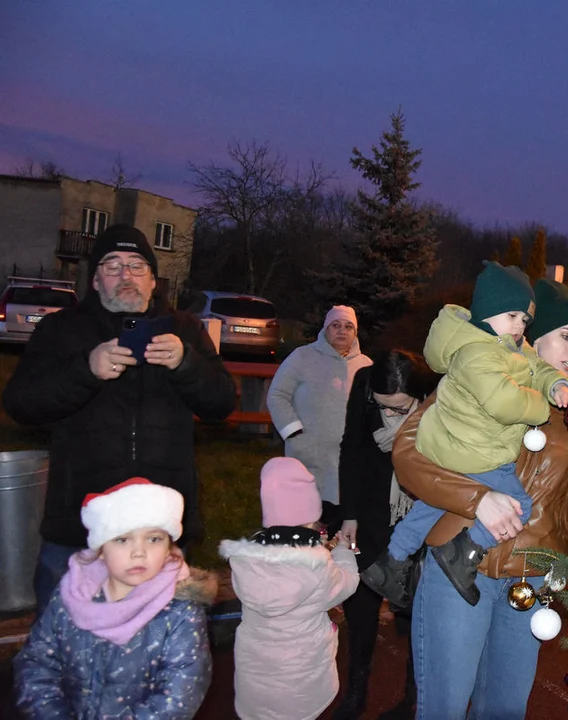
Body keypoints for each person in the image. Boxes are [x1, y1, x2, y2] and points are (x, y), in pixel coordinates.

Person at [392, 277, 568, 719]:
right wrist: (478, 499)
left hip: (528, 580)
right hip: (460, 569)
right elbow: (408, 454)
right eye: (566, 336)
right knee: (445, 707)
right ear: (533, 334)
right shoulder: (480, 372)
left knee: (505, 710)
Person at [1, 224, 237, 614]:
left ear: (152, 279)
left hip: (160, 532)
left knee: (162, 655)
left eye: (136, 265)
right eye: (112, 266)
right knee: (63, 654)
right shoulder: (61, 330)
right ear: (95, 280)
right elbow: (21, 405)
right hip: (78, 532)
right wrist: (85, 369)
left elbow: (221, 403)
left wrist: (185, 364)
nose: (125, 275)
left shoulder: (184, 330)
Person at [363, 262, 568, 607]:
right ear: (488, 312)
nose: (520, 325)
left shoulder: (511, 347)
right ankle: (463, 554)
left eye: (525, 319)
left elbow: (536, 368)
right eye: (512, 315)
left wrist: (557, 384)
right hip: (473, 450)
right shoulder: (477, 352)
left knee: (430, 504)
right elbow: (503, 403)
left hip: (455, 447)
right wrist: (543, 406)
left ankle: (391, 561)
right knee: (519, 506)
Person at [13, 477, 216, 719]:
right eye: (122, 539)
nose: (139, 552)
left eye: (154, 539)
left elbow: (179, 696)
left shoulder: (181, 612)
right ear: (100, 550)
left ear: (169, 546)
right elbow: (36, 664)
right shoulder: (71, 596)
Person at [334, 349, 439, 720]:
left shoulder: (436, 393)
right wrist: (348, 515)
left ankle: (412, 699)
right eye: (382, 407)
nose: (389, 415)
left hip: (416, 510)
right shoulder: (365, 384)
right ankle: (356, 691)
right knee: (360, 604)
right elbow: (353, 448)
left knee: (412, 610)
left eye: (399, 408)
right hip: (371, 508)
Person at [219, 457, 360, 720]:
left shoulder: (246, 561)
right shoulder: (316, 566)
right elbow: (347, 584)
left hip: (256, 685)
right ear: (311, 519)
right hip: (302, 688)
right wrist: (342, 551)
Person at [267, 304, 372, 523]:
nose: (342, 331)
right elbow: (277, 394)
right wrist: (293, 432)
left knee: (340, 520)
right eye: (336, 325)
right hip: (308, 454)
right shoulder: (302, 357)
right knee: (303, 517)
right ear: (326, 329)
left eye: (348, 326)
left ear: (355, 333)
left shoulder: (365, 366)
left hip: (347, 460)